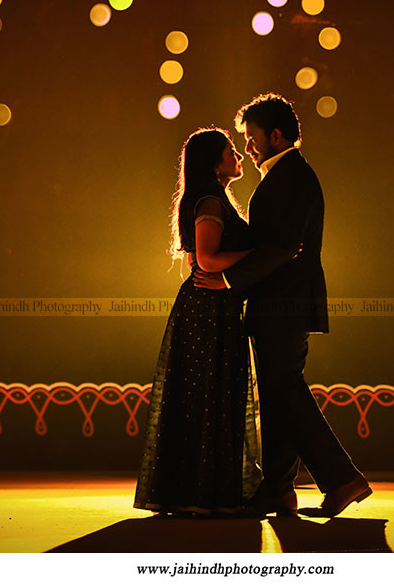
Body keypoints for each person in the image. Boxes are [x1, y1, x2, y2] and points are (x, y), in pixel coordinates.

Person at [193, 93, 371, 518]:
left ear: (275, 136)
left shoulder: (291, 177)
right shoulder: (287, 175)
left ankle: (342, 479)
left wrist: (226, 279)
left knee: (285, 390)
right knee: (278, 394)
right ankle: (278, 490)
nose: (248, 147)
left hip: (283, 303)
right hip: (279, 302)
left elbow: (281, 248)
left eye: (252, 138)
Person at [133, 127, 263, 516]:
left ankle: (198, 492)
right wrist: (260, 254)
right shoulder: (210, 201)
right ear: (213, 162)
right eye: (230, 150)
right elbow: (207, 260)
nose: (237, 155)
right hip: (207, 309)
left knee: (203, 398)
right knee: (208, 396)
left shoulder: (214, 198)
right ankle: (204, 494)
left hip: (211, 307)